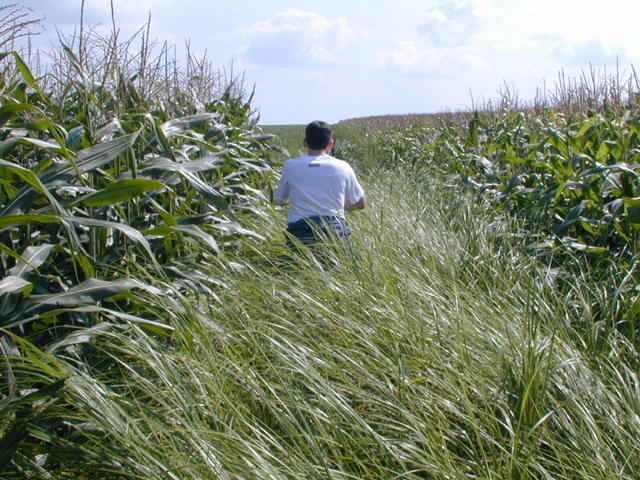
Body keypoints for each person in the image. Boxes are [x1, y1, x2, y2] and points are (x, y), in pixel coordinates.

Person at [274, 120, 366, 256]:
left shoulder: (291, 166)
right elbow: (361, 203)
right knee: (355, 269)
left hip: (300, 234)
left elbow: (279, 200)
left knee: (285, 272)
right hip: (335, 233)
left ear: (305, 142)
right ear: (330, 144)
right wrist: (341, 205)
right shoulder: (343, 166)